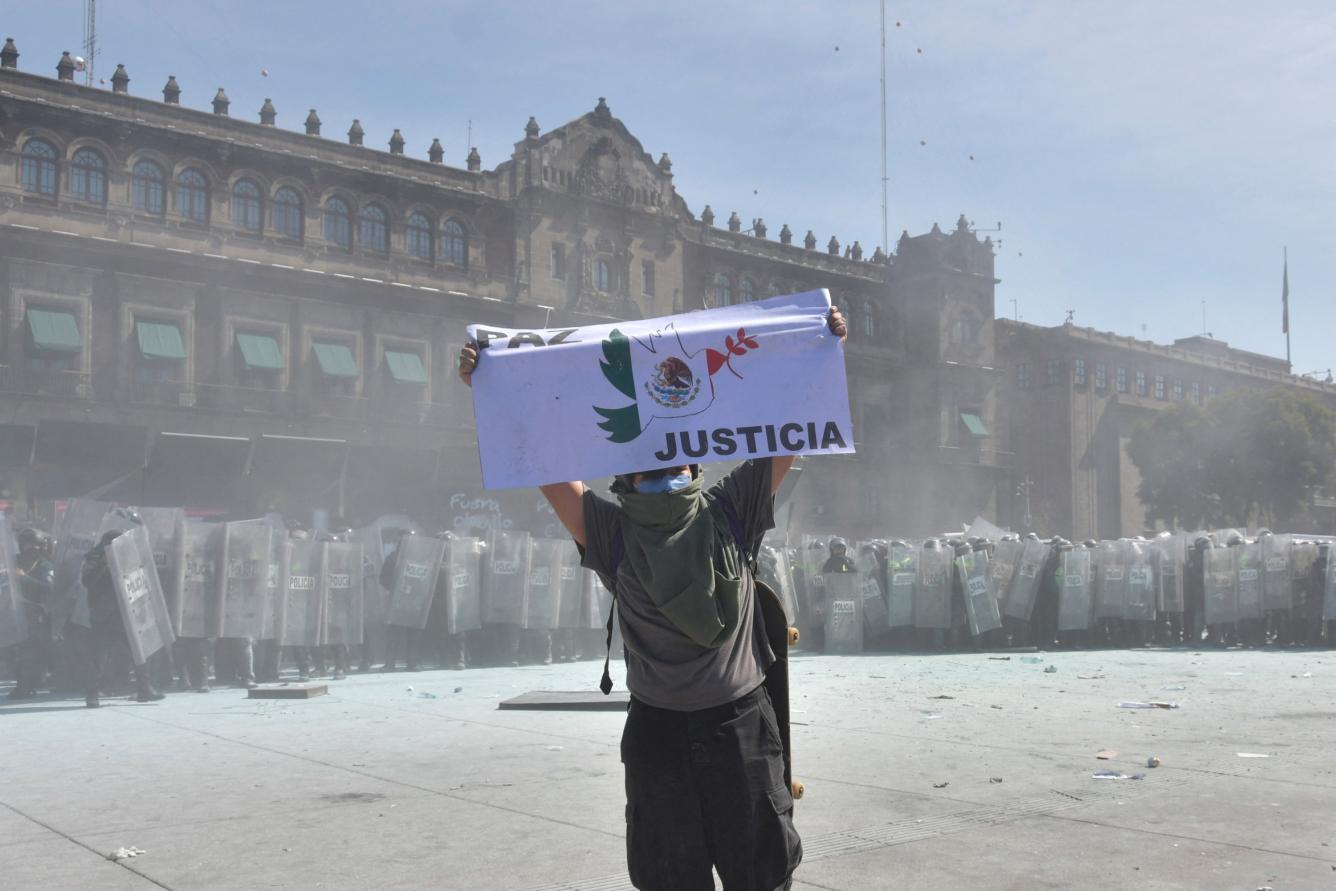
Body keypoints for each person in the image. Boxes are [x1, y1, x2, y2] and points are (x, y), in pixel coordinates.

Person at [456, 305, 843, 890]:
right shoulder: (617, 534)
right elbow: (541, 461)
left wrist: (821, 343)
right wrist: (490, 384)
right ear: (626, 480)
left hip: (733, 729)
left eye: (680, 462)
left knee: (760, 877)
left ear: (696, 468)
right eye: (651, 466)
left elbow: (786, 425)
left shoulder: (730, 514)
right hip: (666, 737)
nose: (669, 473)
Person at [81, 530, 165, 707]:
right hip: (103, 614)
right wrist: (106, 563)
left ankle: (144, 689)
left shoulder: (127, 556)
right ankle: (92, 694)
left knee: (138, 650)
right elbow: (87, 580)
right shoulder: (94, 558)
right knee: (99, 656)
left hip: (126, 613)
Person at [8, 528, 55, 699]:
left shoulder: (44, 565)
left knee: (30, 652)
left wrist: (23, 577)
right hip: (10, 614)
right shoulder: (12, 561)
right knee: (12, 653)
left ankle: (26, 685)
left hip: (33, 615)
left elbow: (47, 588)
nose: (32, 549)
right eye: (28, 545)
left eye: (35, 545)